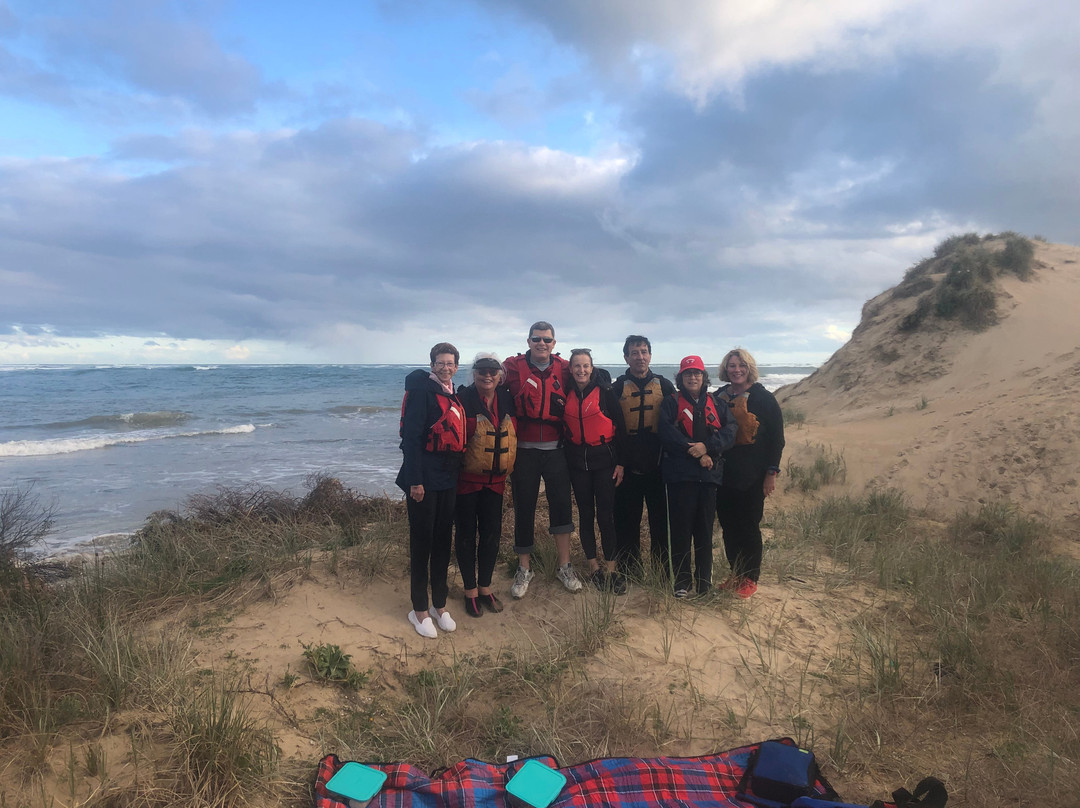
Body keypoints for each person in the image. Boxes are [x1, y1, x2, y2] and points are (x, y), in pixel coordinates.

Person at [502, 321, 583, 598]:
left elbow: (588, 381)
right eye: (536, 339)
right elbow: (486, 381)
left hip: (556, 450)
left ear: (554, 344)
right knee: (524, 507)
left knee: (561, 506)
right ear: (528, 342)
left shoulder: (563, 367)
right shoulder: (512, 368)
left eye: (547, 339)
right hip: (523, 451)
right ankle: (524, 568)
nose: (542, 343)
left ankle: (564, 565)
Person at [395, 343, 466, 638]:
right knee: (422, 543)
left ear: (457, 367)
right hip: (424, 477)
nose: (445, 367)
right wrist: (415, 481)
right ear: (432, 365)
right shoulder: (423, 392)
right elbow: (410, 440)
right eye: (440, 363)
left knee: (442, 542)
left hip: (448, 477)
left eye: (450, 363)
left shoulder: (453, 394)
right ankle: (419, 609)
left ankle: (439, 604)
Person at [658, 355, 736, 598]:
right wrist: (696, 452)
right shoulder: (670, 403)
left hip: (709, 478)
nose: (693, 377)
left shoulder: (718, 404)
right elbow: (666, 433)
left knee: (704, 531)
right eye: (688, 373)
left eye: (697, 373)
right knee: (680, 531)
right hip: (680, 477)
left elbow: (730, 432)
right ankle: (681, 582)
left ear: (704, 377)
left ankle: (704, 583)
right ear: (680, 377)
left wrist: (708, 448)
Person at [714, 348, 785, 599]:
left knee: (748, 525)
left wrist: (771, 472)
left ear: (749, 368)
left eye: (741, 365)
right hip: (724, 474)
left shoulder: (763, 399)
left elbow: (777, 439)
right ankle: (736, 574)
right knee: (728, 526)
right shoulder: (719, 396)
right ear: (726, 369)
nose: (736, 370)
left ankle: (750, 578)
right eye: (732, 365)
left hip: (752, 475)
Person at [455, 353, 516, 618]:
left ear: (500, 375)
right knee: (467, 536)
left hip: (496, 482)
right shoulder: (462, 399)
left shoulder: (507, 399)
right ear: (474, 373)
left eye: (493, 370)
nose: (487, 375)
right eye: (482, 370)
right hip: (466, 483)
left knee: (491, 535)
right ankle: (469, 591)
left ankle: (485, 587)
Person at [563, 348, 627, 594]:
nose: (581, 370)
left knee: (606, 516)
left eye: (585, 366)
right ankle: (593, 567)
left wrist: (621, 463)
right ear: (571, 369)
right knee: (585, 515)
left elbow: (620, 427)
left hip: (605, 461)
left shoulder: (605, 392)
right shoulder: (566, 393)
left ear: (592, 368)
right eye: (577, 366)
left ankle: (612, 570)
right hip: (578, 462)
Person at [612, 335, 676, 578]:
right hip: (626, 466)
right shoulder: (617, 388)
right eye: (634, 352)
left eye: (644, 352)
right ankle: (630, 570)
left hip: (659, 466)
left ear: (650, 355)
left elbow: (677, 424)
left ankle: (663, 571)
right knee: (627, 521)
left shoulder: (665, 387)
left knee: (661, 522)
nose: (640, 357)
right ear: (626, 357)